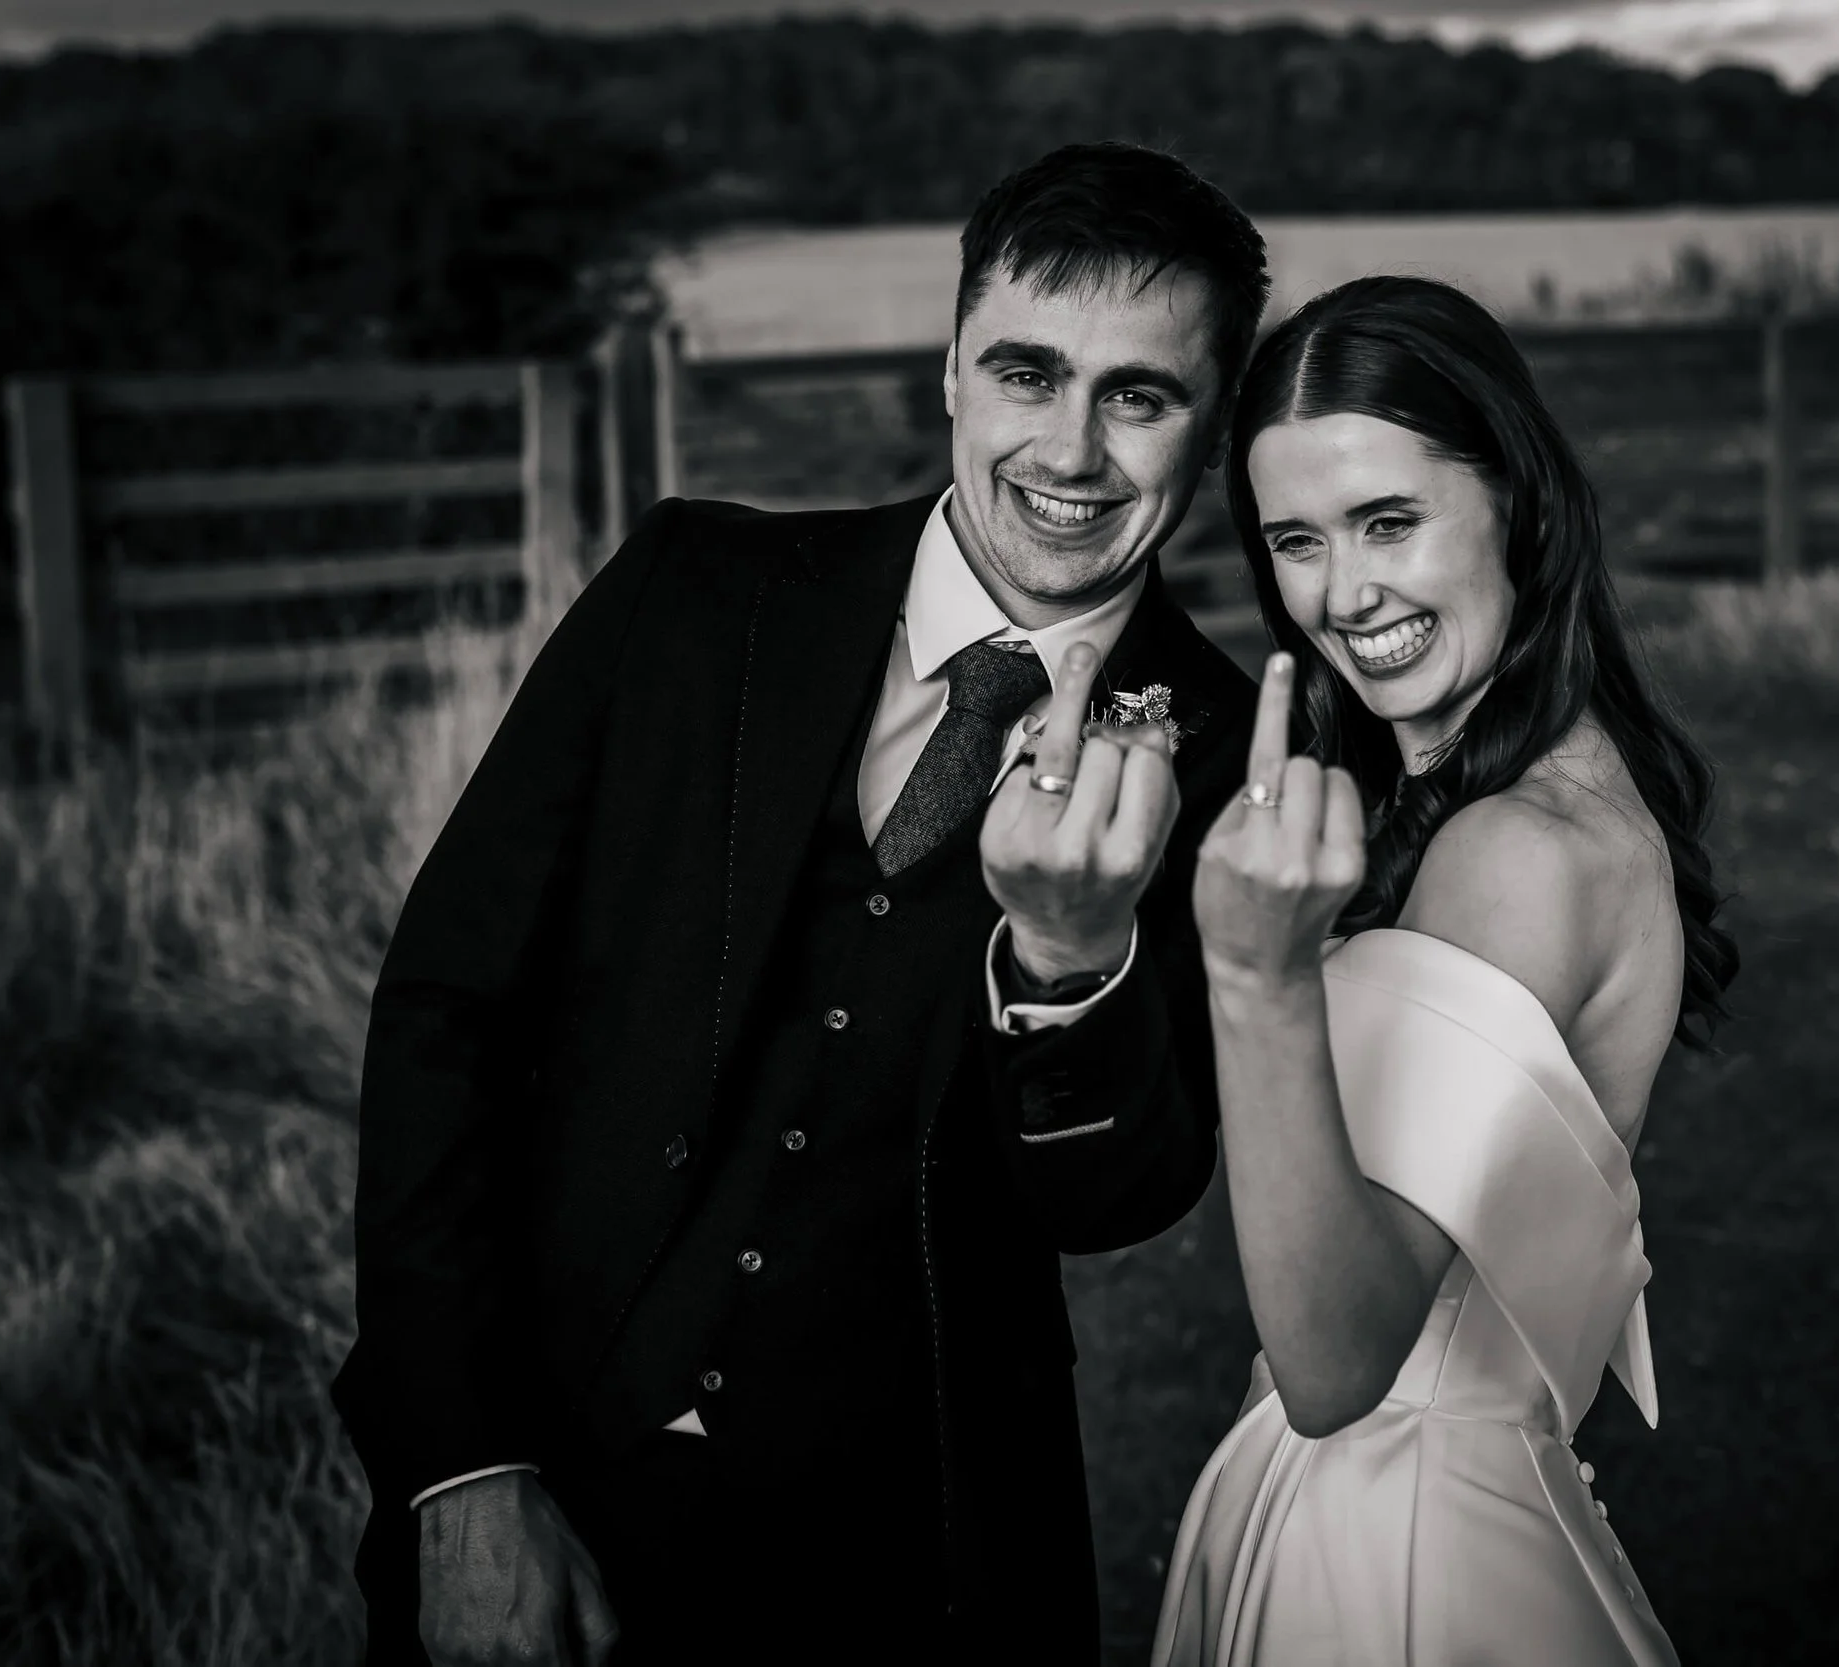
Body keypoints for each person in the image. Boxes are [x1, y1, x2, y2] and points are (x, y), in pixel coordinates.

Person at [334, 142, 1268, 1663]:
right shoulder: (693, 595)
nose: (1073, 450)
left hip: (916, 1558)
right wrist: (461, 1465)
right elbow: (448, 1011)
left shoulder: (1226, 753)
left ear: (1210, 425)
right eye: (1027, 372)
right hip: (540, 1487)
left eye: (1140, 395)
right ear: (949, 370)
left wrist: (1073, 954)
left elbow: (1115, 1201)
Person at [1152, 275, 1739, 1665]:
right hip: (1409, 1505)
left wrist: (1258, 974)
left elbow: (1340, 1362)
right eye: (1295, 540)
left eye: (1389, 521)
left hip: (1401, 1552)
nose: (1343, 595)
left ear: (1517, 502)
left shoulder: (1519, 849)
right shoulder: (1536, 791)